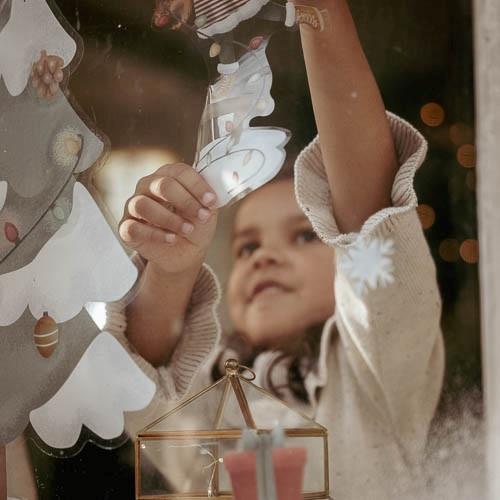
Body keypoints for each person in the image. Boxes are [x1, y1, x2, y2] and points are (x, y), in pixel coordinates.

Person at [110, 1, 444, 498]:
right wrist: (173, 269)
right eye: (246, 248)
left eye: (306, 235)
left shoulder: (377, 384)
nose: (264, 257)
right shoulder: (208, 406)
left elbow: (370, 221)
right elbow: (143, 391)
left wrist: (320, 12)